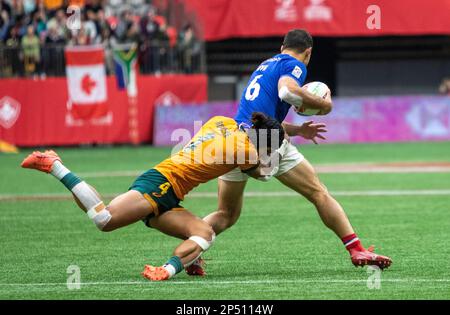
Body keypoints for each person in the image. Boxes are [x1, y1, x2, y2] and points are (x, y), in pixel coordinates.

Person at [189, 29, 392, 275]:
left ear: (282, 45)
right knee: (318, 193)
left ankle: (189, 253)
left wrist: (298, 130)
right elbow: (287, 92)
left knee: (226, 213)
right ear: (308, 52)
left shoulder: (266, 66)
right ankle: (356, 249)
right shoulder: (294, 65)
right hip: (263, 142)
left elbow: (261, 115)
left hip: (236, 139)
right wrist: (324, 104)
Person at [21, 113, 287, 281]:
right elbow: (261, 173)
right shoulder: (247, 151)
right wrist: (275, 160)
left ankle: (167, 270)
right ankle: (54, 165)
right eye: (268, 147)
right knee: (104, 219)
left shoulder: (221, 121)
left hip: (170, 193)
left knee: (205, 233)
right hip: (160, 184)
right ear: (264, 143)